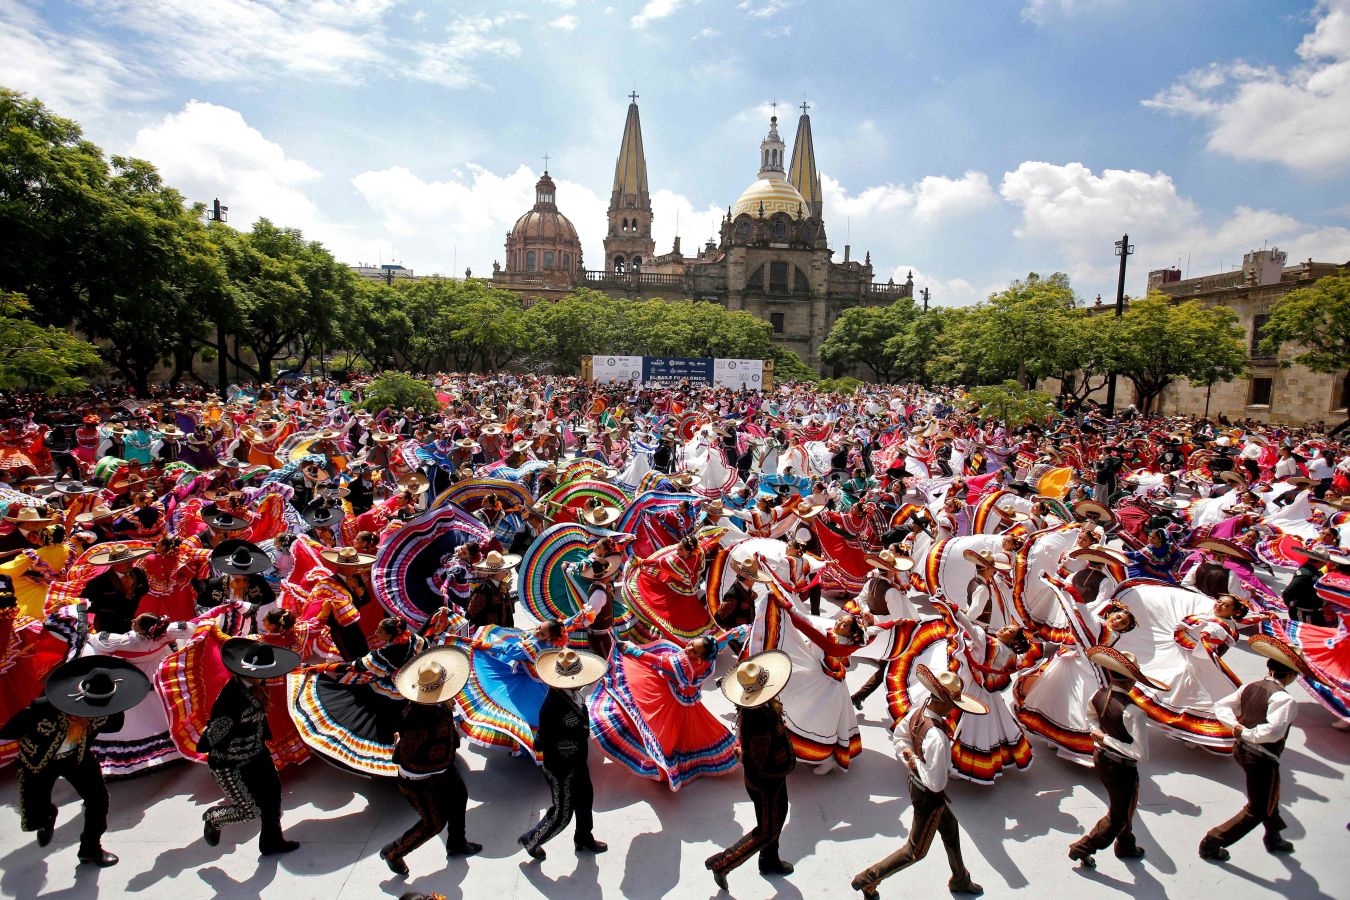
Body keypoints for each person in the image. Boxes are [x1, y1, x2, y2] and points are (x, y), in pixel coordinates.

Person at [850, 664, 988, 898]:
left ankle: (960, 878)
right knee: (915, 851)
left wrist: (911, 759)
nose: (955, 710)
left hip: (915, 783)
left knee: (950, 828)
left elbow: (900, 737)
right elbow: (936, 784)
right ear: (945, 703)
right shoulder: (938, 739)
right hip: (928, 796)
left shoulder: (919, 710)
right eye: (954, 705)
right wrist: (917, 762)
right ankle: (867, 879)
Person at [0, 655, 151, 866]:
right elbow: (10, 729)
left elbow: (114, 726)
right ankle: (46, 817)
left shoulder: (106, 711)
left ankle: (90, 848)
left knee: (98, 800)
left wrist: (117, 706)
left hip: (77, 757)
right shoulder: (44, 707)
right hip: (40, 762)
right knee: (35, 810)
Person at [1199, 635, 1310, 862]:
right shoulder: (1284, 700)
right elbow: (1274, 732)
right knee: (1257, 808)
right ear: (1291, 675)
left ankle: (1273, 835)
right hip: (1261, 756)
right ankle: (1214, 840)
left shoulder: (1251, 686)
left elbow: (1222, 706)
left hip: (1242, 749)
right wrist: (1246, 732)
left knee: (1270, 793)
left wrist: (1236, 727)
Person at [198, 637, 303, 855]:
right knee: (249, 810)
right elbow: (209, 739)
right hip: (229, 763)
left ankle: (271, 842)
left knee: (273, 799)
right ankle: (214, 818)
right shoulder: (230, 700)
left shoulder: (257, 684)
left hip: (258, 754)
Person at [380, 645, 479, 876]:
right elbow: (410, 757)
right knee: (433, 823)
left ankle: (456, 843)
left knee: (459, 796)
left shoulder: (434, 705)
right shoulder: (422, 720)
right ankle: (393, 852)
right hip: (420, 779)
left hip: (441, 769)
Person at [1067, 646, 1168, 868]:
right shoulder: (1134, 712)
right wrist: (1106, 739)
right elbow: (1140, 754)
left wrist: (1098, 735)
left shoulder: (1098, 694)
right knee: (1119, 815)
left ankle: (1126, 844)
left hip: (1100, 759)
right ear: (1132, 682)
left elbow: (1091, 717)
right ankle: (1083, 847)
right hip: (1121, 767)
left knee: (1124, 807)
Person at [705, 650, 796, 891]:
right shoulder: (759, 719)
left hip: (774, 777)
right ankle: (723, 863)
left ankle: (769, 860)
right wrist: (780, 771)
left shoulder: (761, 709)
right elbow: (757, 764)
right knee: (767, 830)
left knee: (777, 818)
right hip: (766, 782)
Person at [519, 648, 610, 860]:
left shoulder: (572, 693)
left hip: (578, 761)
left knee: (585, 799)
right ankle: (532, 839)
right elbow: (544, 741)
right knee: (562, 814)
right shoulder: (551, 707)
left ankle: (584, 838)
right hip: (561, 768)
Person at [80, 542, 152, 633]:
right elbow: (87, 605)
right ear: (114, 564)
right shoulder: (98, 582)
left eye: (131, 560)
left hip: (131, 622)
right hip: (106, 626)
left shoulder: (139, 573)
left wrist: (131, 596)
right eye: (124, 562)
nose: (129, 564)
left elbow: (144, 589)